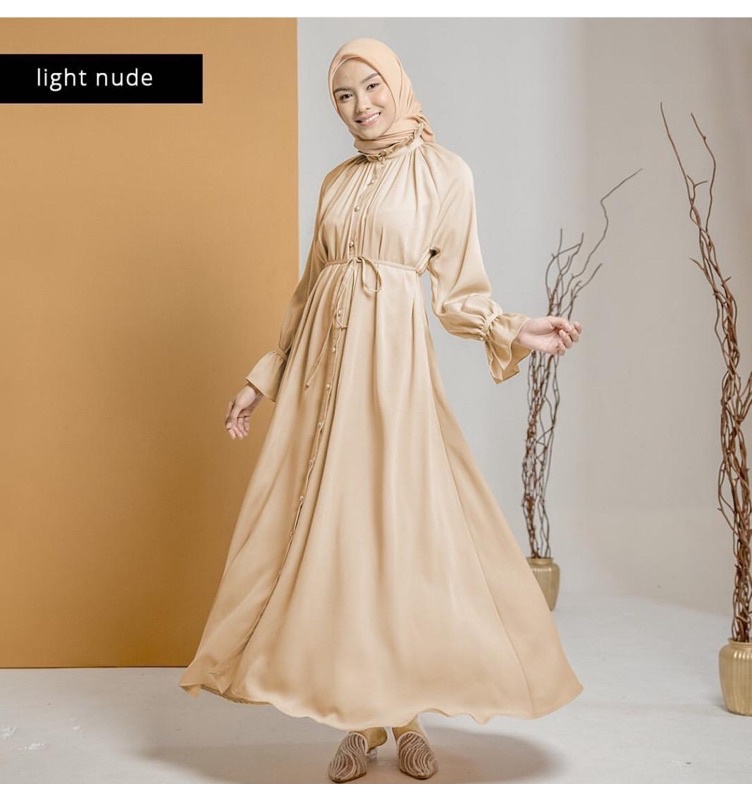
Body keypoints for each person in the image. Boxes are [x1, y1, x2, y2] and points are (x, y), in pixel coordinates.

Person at [179, 37, 584, 783]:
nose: (360, 105)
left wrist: (515, 327)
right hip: (322, 384)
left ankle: (405, 716)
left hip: (393, 380)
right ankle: (362, 718)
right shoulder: (336, 183)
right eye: (343, 95)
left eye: (371, 86)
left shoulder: (444, 173)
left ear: (397, 85)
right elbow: (309, 290)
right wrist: (262, 380)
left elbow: (458, 294)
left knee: (399, 537)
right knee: (335, 544)